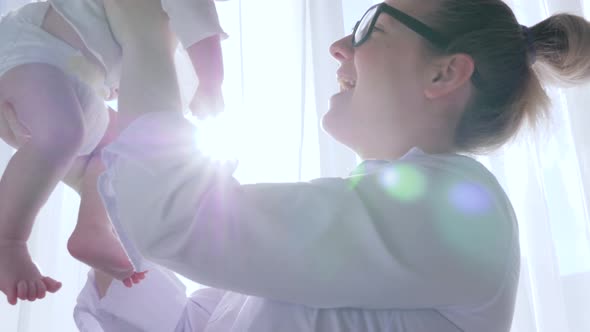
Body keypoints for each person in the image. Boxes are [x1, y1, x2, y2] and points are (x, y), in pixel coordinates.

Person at [75, 0, 590, 331]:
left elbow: (174, 219)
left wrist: (146, 33)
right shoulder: (349, 228)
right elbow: (190, 323)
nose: (339, 47)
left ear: (445, 73)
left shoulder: (466, 212)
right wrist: (90, 169)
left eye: (371, 27)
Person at [0, 0, 226, 305]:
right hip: (35, 49)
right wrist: (211, 82)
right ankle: (8, 240)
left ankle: (93, 227)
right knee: (62, 133)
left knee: (121, 147)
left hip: (83, 81)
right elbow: (199, 23)